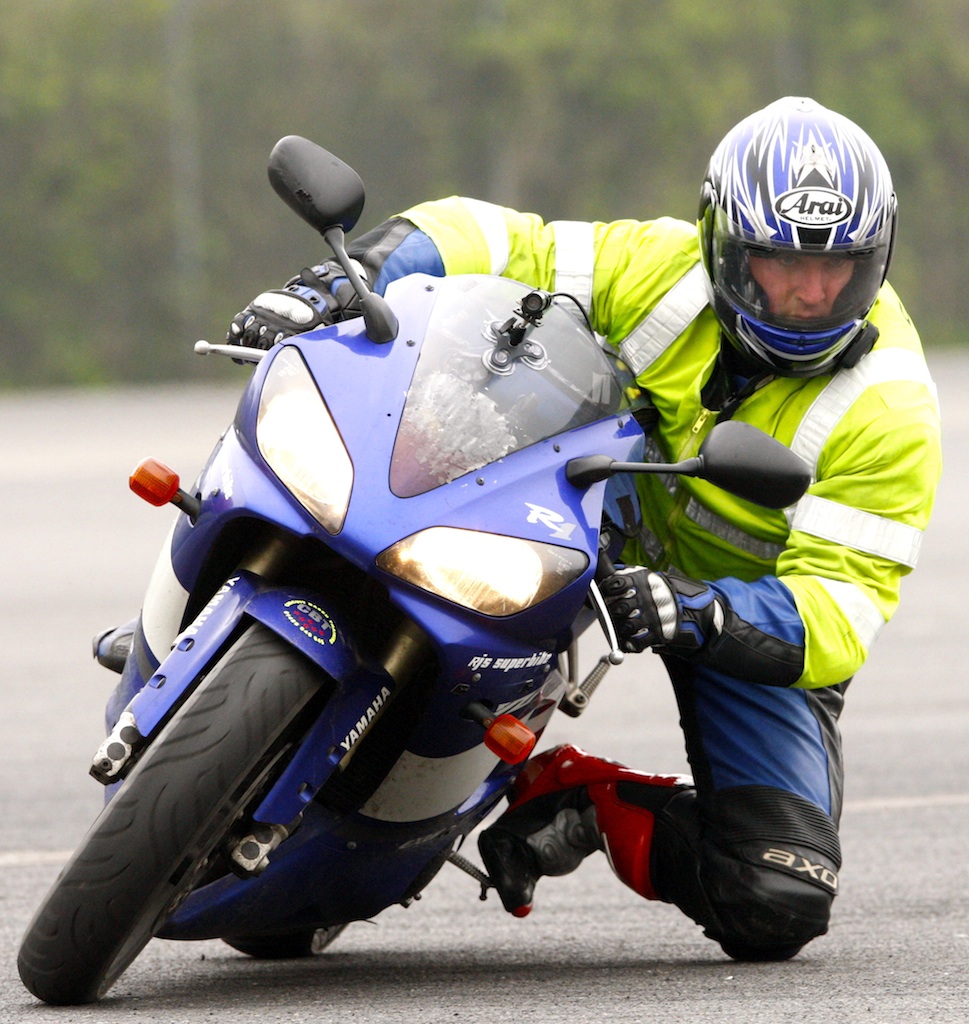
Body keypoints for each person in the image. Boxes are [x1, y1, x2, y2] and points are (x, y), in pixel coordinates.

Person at [224, 96, 942, 961]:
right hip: (569, 520)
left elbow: (841, 608)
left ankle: (576, 800)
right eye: (778, 260)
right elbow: (492, 237)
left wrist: (702, 613)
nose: (810, 293)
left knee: (774, 891)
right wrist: (336, 282)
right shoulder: (660, 270)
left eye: (842, 267)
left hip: (730, 611)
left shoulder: (890, 408)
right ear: (720, 240)